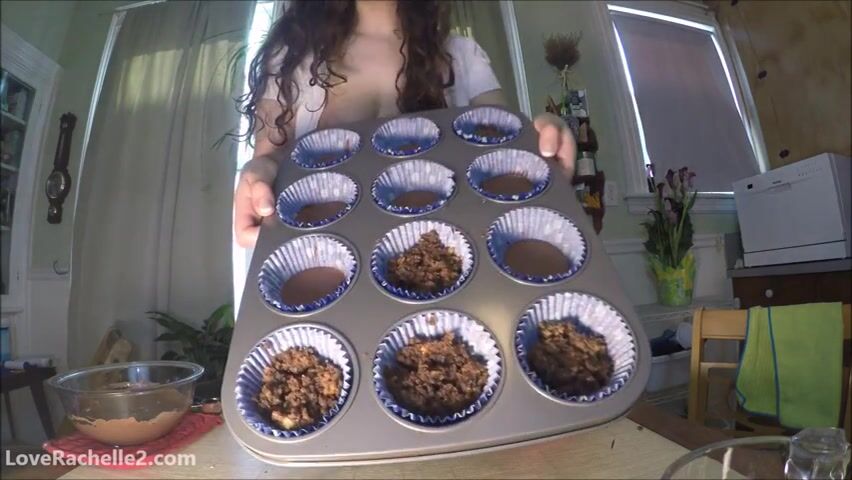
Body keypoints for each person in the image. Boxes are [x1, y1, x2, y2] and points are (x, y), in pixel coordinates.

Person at [234, 0, 576, 247]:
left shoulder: (463, 55)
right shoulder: (290, 57)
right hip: (321, 260)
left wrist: (543, 139)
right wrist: (257, 174)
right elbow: (270, 159)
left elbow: (509, 148)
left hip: (441, 258)